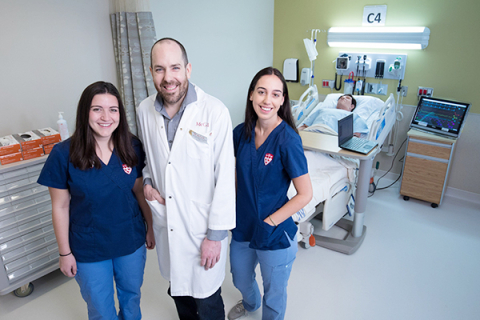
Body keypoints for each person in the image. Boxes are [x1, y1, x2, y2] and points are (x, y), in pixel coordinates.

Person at [136, 38, 236, 320]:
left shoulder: (214, 112)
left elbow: (225, 178)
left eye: (175, 68)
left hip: (202, 228)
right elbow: (149, 161)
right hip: (168, 221)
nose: (168, 78)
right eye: (159, 69)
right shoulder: (145, 110)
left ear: (188, 69)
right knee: (179, 293)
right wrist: (146, 183)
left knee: (207, 301)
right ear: (151, 72)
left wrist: (215, 237)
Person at [37, 81, 155, 319]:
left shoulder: (131, 145)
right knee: (100, 308)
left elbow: (139, 190)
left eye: (113, 109)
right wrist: (64, 253)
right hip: (88, 247)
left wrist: (151, 227)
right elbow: (60, 206)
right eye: (97, 109)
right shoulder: (63, 154)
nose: (106, 116)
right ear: (85, 112)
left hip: (129, 239)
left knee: (131, 297)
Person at [228, 67, 313, 320]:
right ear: (251, 95)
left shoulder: (288, 140)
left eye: (275, 94)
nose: (268, 100)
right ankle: (251, 304)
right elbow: (234, 171)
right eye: (262, 92)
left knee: (274, 294)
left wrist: (270, 221)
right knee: (240, 279)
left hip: (273, 231)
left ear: (283, 100)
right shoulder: (241, 132)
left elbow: (305, 194)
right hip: (242, 226)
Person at [298, 94, 368, 137]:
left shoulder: (353, 116)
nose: (343, 98)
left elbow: (355, 136)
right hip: (313, 132)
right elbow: (304, 126)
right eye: (341, 98)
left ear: (352, 106)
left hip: (332, 137)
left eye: (347, 98)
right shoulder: (322, 110)